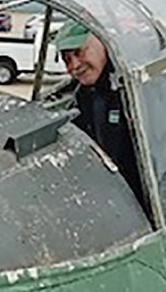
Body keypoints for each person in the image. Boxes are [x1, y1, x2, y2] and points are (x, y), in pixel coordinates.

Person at [54, 21, 149, 213]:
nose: (74, 66)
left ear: (101, 41)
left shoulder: (139, 86)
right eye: (67, 59)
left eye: (79, 52)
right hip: (120, 203)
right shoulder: (85, 94)